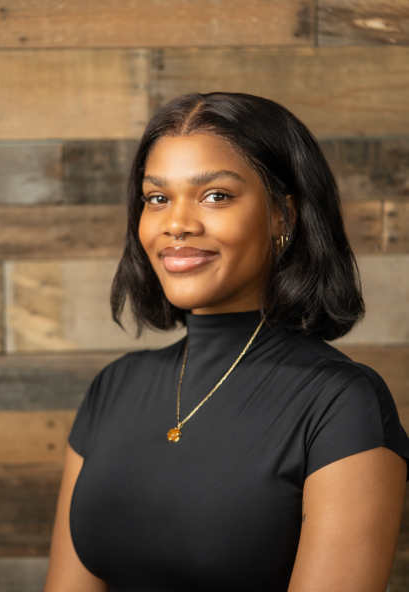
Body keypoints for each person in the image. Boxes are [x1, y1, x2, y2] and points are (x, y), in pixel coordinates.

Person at [44, 92, 409, 592]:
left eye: (215, 195)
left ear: (283, 215)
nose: (177, 224)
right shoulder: (113, 388)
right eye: (157, 198)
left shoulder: (342, 404)